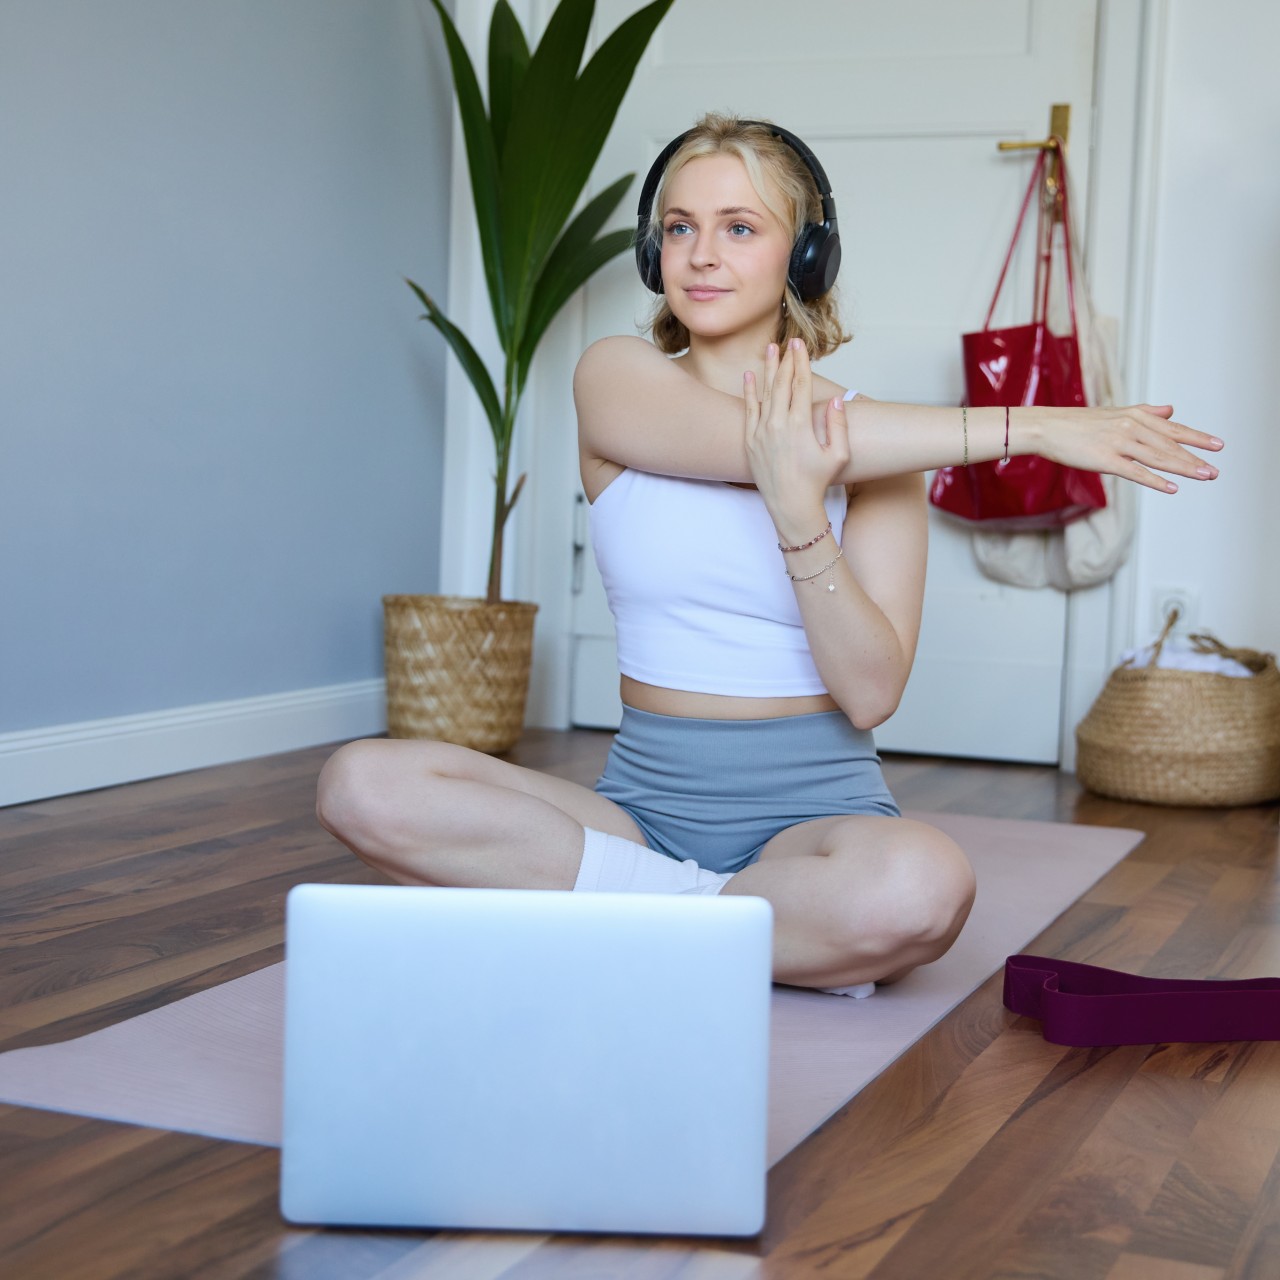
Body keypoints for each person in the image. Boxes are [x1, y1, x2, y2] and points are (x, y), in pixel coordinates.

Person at [316, 113, 1222, 996]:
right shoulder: (615, 378)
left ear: (805, 255)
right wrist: (1036, 425)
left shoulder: (888, 459)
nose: (701, 254)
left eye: (739, 227)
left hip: (814, 825)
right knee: (363, 783)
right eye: (679, 228)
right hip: (635, 812)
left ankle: (623, 914)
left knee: (921, 888)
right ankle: (726, 924)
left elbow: (871, 693)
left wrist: (801, 517)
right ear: (652, 250)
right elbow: (761, 441)